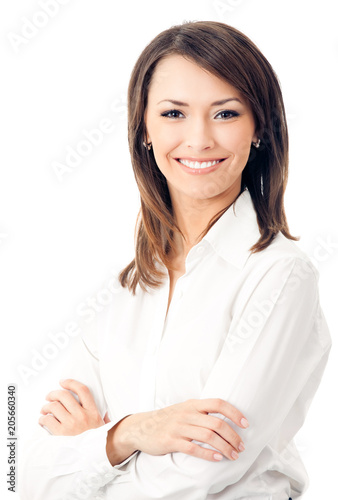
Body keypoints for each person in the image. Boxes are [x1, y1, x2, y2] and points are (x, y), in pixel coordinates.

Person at [19, 21, 331, 500]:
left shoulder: (279, 275)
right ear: (144, 129)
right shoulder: (125, 289)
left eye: (225, 114)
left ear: (260, 128)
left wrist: (96, 451)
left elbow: (202, 473)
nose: (200, 139)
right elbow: (27, 469)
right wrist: (133, 432)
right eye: (173, 113)